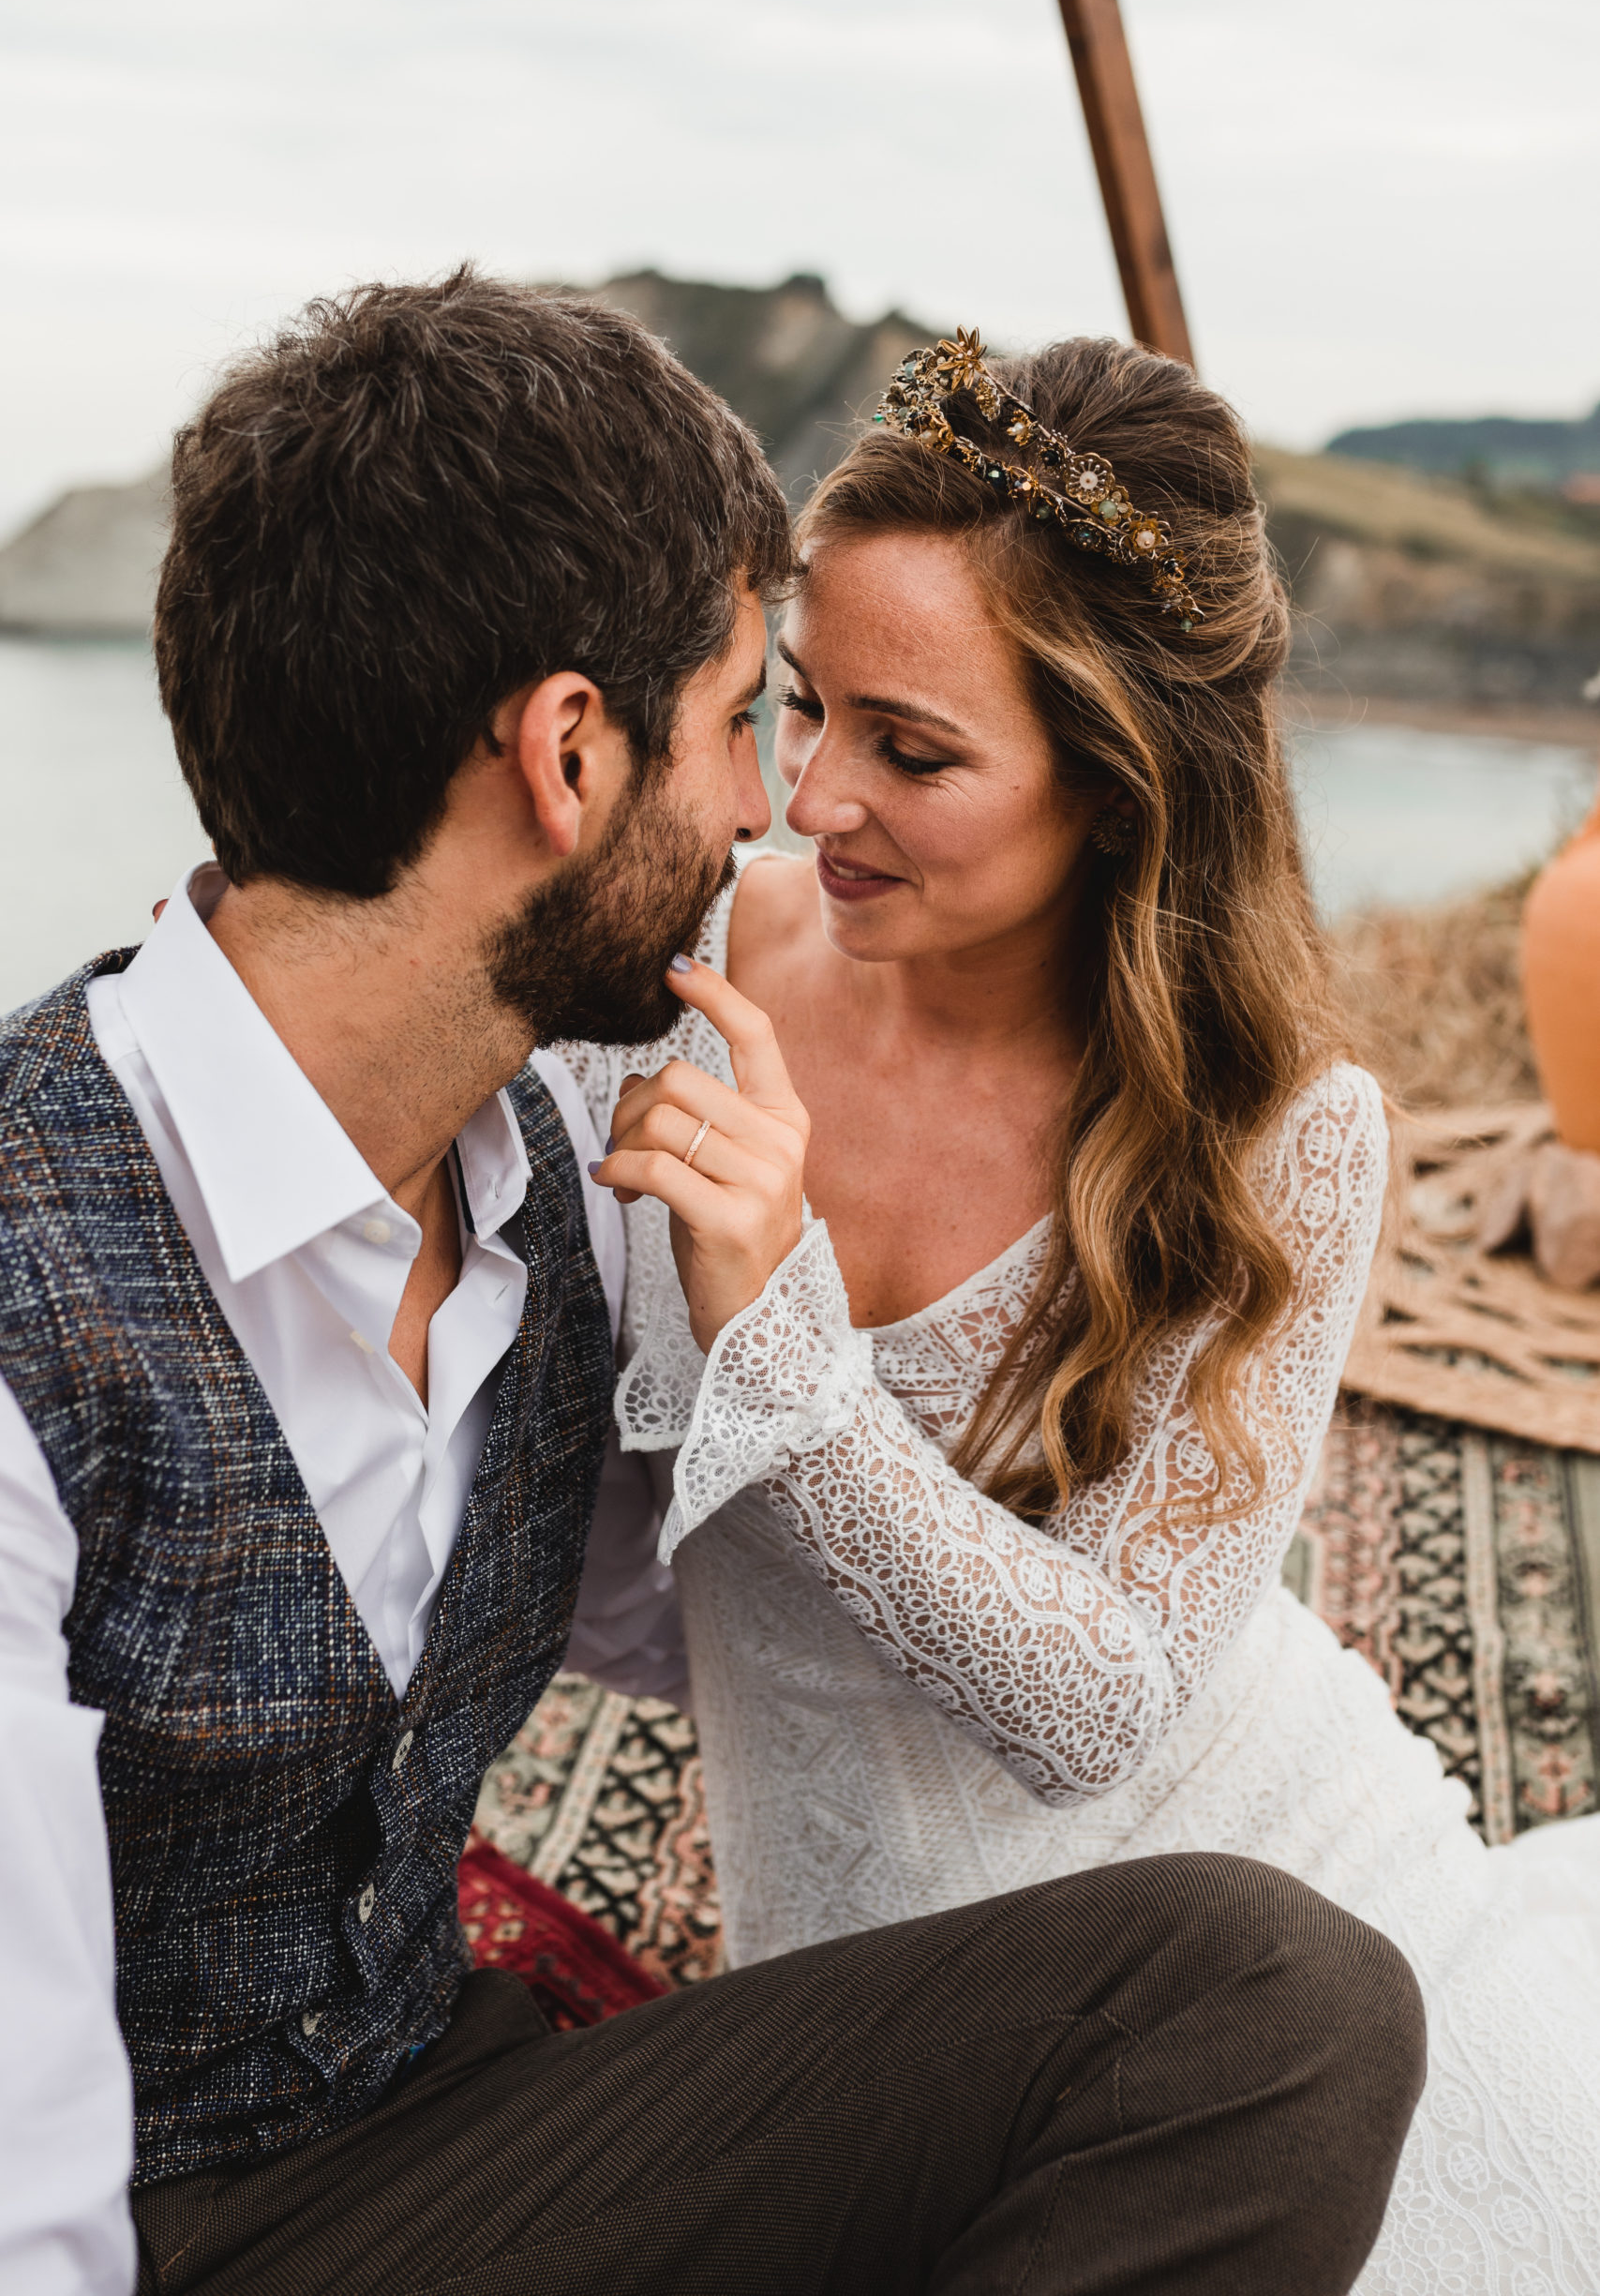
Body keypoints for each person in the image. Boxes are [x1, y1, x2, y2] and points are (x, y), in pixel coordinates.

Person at [0, 275, 1425, 2296]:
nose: (779, 805)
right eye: (752, 715)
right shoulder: (29, 1291)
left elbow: (687, 1601)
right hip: (167, 2219)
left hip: (444, 2115)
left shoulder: (553, 1152)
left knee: (1263, 2001)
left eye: (870, 734)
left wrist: (809, 1368)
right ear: (569, 755)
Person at [573, 331, 1600, 2292]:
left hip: (1229, 1930)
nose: (809, 799)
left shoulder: (1285, 1130)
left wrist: (774, 1333)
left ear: (1116, 776)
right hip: (831, 1963)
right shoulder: (687, 960)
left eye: (912, 746)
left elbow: (1099, 1701)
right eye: (802, 709)